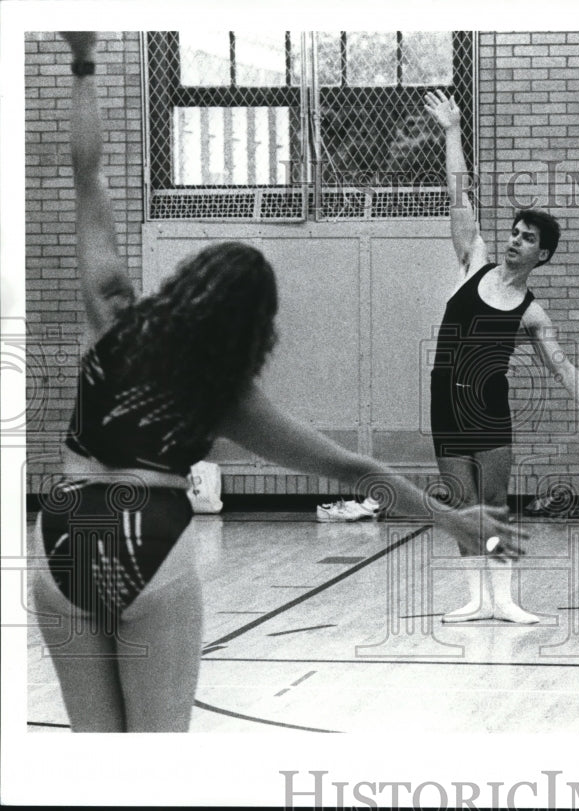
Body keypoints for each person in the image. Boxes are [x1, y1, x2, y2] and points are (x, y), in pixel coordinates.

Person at [31, 32, 522, 733]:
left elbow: (90, 176)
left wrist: (83, 65)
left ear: (187, 283)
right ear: (252, 327)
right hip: (149, 537)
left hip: (66, 530)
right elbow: (351, 465)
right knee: (154, 763)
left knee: (95, 759)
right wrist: (450, 519)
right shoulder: (225, 393)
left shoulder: (111, 316)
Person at [423, 90, 579, 624]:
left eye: (527, 238)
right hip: (446, 403)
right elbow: (458, 199)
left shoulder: (532, 313)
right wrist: (451, 133)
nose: (515, 241)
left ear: (543, 254)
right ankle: (474, 599)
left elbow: (562, 365)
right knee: (459, 501)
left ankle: (508, 600)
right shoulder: (474, 263)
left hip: (489, 409)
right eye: (514, 233)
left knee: (493, 503)